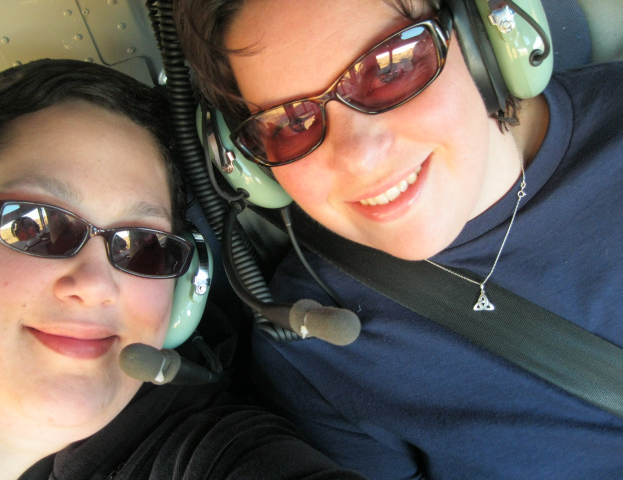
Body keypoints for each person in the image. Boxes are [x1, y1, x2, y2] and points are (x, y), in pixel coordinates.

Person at [174, 0, 623, 478]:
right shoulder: (315, 347)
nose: (359, 157)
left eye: (394, 67)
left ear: (484, 37)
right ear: (251, 168)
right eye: (291, 124)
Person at [0, 58, 368, 480]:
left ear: (183, 292)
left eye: (146, 248)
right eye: (35, 225)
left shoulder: (200, 451)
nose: (95, 285)